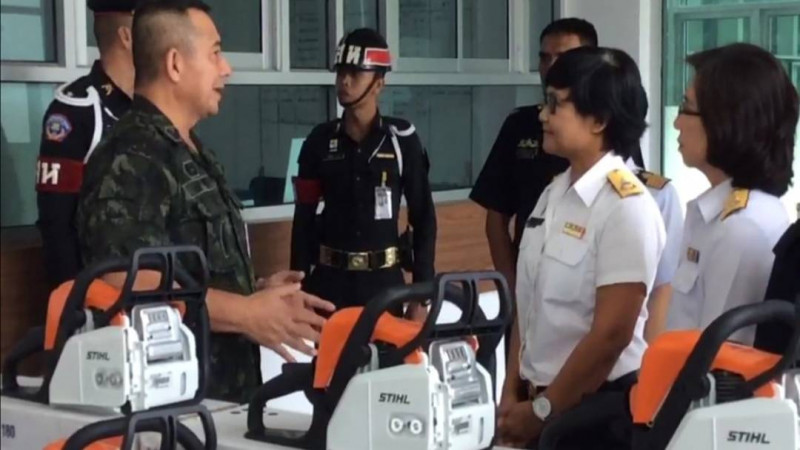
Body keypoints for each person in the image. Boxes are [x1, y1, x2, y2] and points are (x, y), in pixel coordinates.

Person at [76, 0, 334, 403]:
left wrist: (253, 293)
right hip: (169, 409)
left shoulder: (192, 149)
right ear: (175, 64)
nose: (226, 68)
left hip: (220, 397)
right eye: (215, 53)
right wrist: (246, 313)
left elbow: (188, 272)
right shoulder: (132, 155)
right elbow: (125, 283)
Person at [497, 47, 666, 449]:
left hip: (598, 418)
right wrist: (511, 387)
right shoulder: (553, 194)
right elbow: (531, 301)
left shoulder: (626, 207)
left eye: (556, 104)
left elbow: (611, 335)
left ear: (599, 120)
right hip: (540, 408)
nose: (543, 115)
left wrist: (542, 412)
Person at [290, 28, 436, 321]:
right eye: (341, 72)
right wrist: (298, 286)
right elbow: (303, 219)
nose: (344, 81)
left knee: (391, 366)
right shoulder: (319, 140)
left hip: (385, 286)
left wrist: (422, 294)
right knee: (331, 366)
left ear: (379, 83)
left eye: (355, 74)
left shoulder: (402, 140)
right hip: (330, 286)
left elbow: (423, 218)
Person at [666, 43, 797, 345]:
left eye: (686, 108)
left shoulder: (741, 228)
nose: (676, 122)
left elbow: (717, 367)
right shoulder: (714, 214)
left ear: (725, 122)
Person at [469, 18, 597, 300]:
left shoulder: (605, 131)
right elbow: (496, 217)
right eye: (544, 58)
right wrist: (512, 293)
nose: (550, 67)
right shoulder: (521, 124)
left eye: (562, 58)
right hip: (528, 285)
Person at [36, 0, 137, 289]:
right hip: (101, 306)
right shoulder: (76, 110)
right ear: (126, 36)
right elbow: (57, 227)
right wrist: (78, 311)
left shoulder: (156, 105)